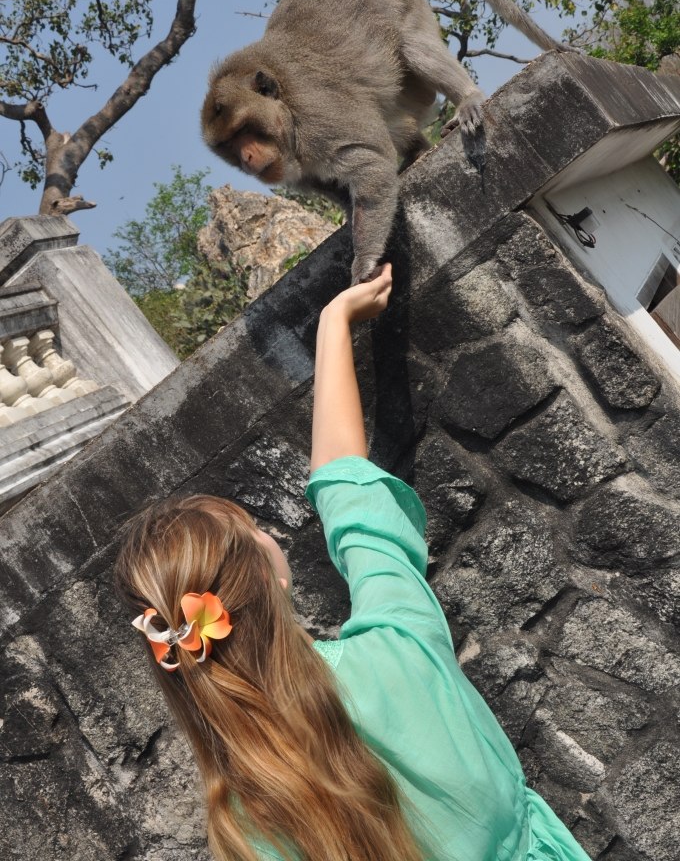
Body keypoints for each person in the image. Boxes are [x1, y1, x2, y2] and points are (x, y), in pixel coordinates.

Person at [115, 263, 592, 861]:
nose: (267, 534)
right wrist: (334, 322)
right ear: (267, 575)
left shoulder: (242, 825)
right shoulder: (399, 646)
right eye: (257, 530)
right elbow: (348, 493)